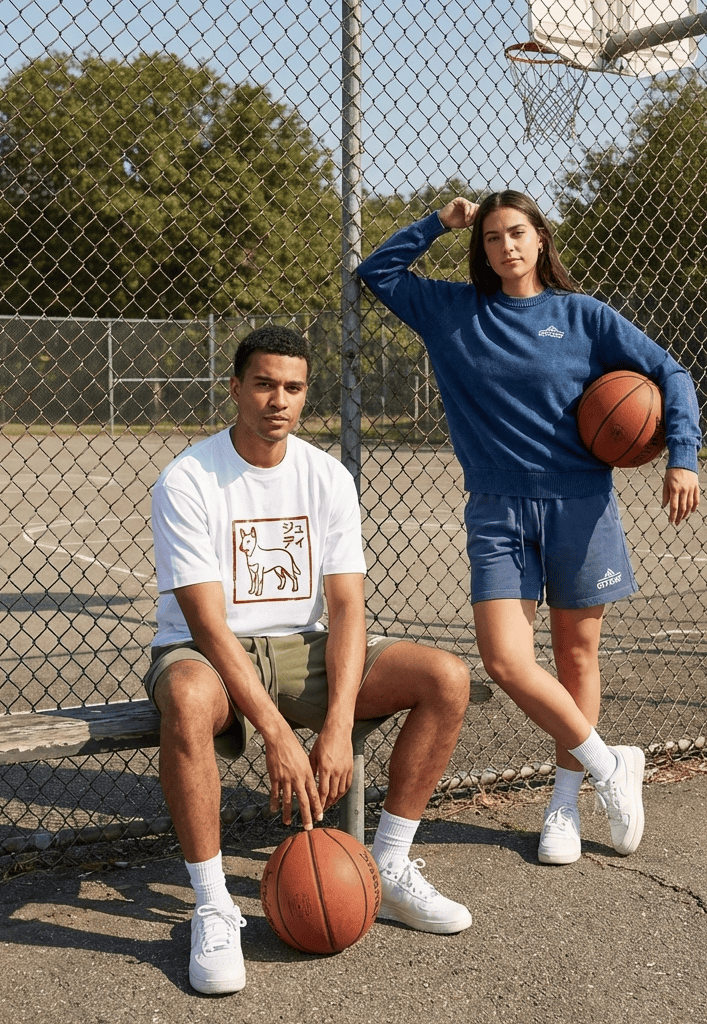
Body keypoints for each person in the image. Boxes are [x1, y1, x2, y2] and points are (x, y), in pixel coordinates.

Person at [357, 190, 701, 868]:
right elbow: (378, 274)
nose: (506, 246)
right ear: (480, 249)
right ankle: (610, 764)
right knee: (507, 661)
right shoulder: (453, 311)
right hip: (497, 508)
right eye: (490, 238)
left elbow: (670, 373)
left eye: (517, 233)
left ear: (541, 239)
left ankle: (564, 804)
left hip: (581, 504)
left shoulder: (582, 315)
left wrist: (682, 456)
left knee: (576, 657)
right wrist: (437, 222)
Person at [145, 325, 472, 995]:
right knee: (184, 698)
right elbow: (207, 624)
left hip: (307, 647)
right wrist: (276, 735)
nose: (278, 400)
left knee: (447, 676)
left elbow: (349, 608)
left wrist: (336, 725)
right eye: (263, 384)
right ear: (235, 388)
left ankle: (387, 870)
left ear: (305, 396)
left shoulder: (326, 476)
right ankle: (212, 905)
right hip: (211, 654)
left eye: (292, 388)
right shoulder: (188, 480)